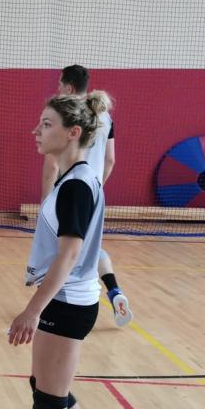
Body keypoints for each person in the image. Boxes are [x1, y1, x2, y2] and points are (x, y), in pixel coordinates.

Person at [9, 93, 113, 409]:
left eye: (46, 124)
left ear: (73, 133)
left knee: (49, 403)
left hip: (66, 303)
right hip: (73, 301)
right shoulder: (78, 178)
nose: (36, 131)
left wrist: (33, 310)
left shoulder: (75, 185)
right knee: (53, 391)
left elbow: (69, 256)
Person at [41, 65, 132, 326]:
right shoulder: (105, 116)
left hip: (68, 190)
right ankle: (114, 290)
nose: (58, 89)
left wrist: (46, 203)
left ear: (69, 88)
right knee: (91, 248)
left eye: (60, 85)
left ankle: (52, 302)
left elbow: (52, 165)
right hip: (93, 192)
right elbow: (110, 160)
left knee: (62, 251)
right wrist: (96, 190)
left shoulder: (66, 115)